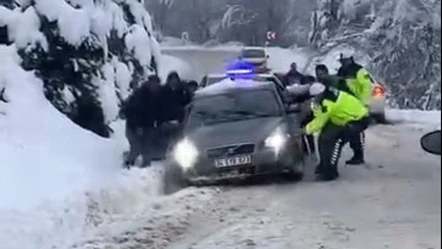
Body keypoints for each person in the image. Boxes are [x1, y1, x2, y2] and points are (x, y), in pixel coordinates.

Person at [303, 83, 370, 181]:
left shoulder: (328, 102)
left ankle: (331, 172)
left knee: (337, 141)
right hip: (341, 118)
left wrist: (304, 130)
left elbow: (319, 122)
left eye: (314, 97)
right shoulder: (328, 94)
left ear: (320, 94)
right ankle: (324, 164)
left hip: (358, 119)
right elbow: (319, 115)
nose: (313, 99)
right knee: (323, 137)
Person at [315, 64, 368, 165]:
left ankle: (358, 155)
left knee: (352, 135)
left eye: (322, 74)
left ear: (326, 73)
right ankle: (326, 163)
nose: (320, 76)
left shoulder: (336, 82)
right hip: (334, 113)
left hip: (348, 111)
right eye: (318, 74)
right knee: (326, 138)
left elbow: (346, 95)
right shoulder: (319, 85)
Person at [121, 75, 162, 168]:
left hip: (148, 125)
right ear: (149, 83)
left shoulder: (157, 96)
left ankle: (146, 166)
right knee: (136, 147)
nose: (154, 86)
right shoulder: (139, 94)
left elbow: (158, 111)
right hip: (133, 126)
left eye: (156, 84)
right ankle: (128, 164)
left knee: (147, 147)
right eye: (153, 84)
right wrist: (137, 126)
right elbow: (133, 112)